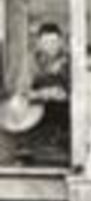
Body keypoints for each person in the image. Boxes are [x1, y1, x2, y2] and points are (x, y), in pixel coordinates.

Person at [27, 22, 70, 165]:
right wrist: (44, 93)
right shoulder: (31, 62)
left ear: (60, 42)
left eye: (54, 41)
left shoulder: (68, 61)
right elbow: (21, 93)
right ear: (39, 42)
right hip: (36, 115)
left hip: (63, 116)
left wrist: (66, 95)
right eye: (46, 42)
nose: (51, 46)